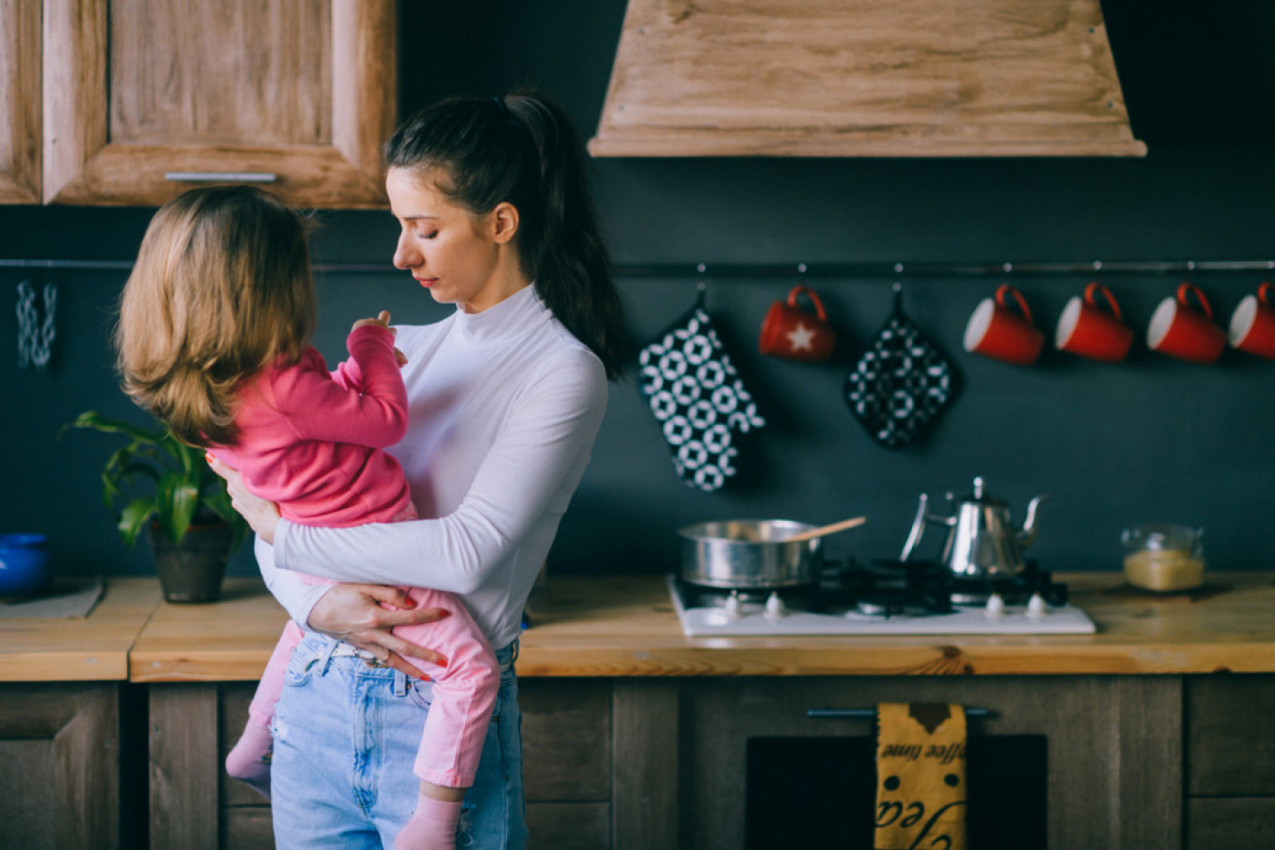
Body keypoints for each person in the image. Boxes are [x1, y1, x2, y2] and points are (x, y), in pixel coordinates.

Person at [210, 90, 627, 849]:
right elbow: (283, 505)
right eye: (399, 226)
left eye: (425, 230)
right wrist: (314, 605)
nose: (401, 255)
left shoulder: (562, 372)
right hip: (314, 692)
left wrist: (286, 538)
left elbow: (465, 551)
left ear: (501, 223)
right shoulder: (401, 349)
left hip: (441, 722)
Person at [115, 184, 504, 850]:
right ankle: (434, 823)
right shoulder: (285, 385)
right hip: (374, 542)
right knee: (472, 670)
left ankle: (253, 744)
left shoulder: (212, 394)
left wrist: (351, 369)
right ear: (268, 290)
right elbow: (385, 422)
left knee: (307, 630)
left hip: (310, 543)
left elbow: (317, 426)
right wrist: (372, 344)